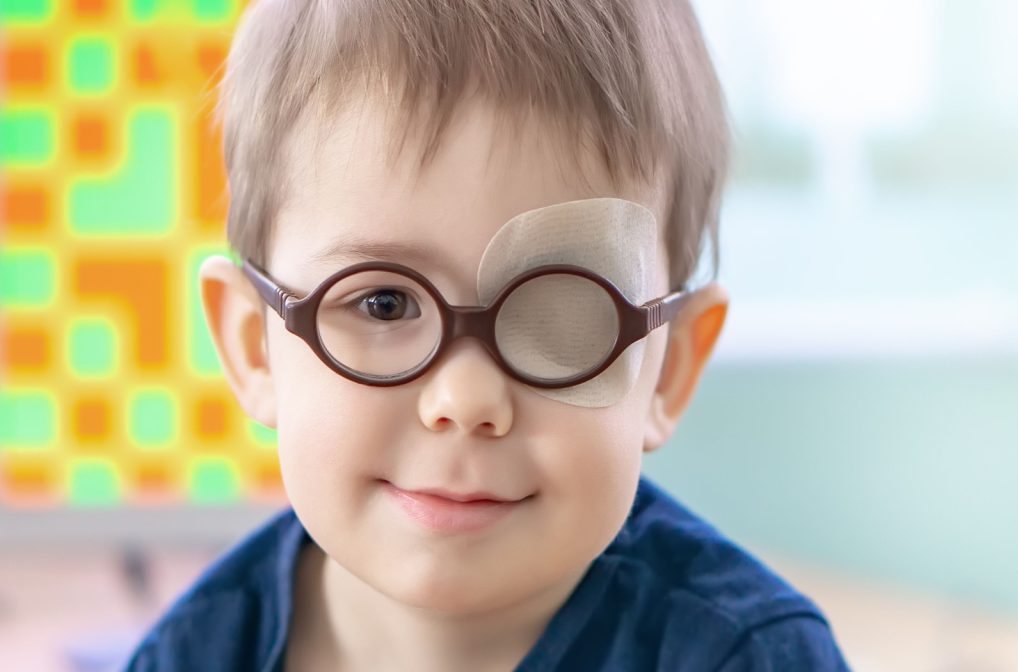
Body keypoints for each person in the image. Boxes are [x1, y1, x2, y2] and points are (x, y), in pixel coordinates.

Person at [124, 0, 851, 670]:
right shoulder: (191, 656)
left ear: (669, 370)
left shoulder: (747, 658)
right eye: (384, 304)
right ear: (253, 346)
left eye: (562, 313)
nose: (466, 398)